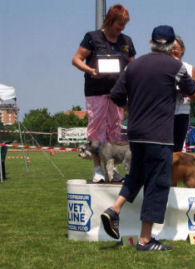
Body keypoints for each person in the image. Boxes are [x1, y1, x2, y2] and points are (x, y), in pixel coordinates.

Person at [100, 25, 195, 251]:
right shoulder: (177, 66)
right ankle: (145, 240)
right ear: (173, 45)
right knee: (157, 184)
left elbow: (115, 95)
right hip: (160, 135)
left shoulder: (134, 66)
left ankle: (114, 209)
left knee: (136, 176)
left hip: (136, 132)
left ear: (151, 41)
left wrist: (132, 107)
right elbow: (191, 89)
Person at [72, 4, 135, 182]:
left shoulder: (126, 41)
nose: (121, 28)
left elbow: (132, 65)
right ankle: (97, 169)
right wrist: (90, 70)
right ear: (109, 20)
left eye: (124, 25)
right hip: (96, 91)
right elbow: (76, 59)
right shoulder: (92, 37)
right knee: (96, 130)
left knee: (114, 132)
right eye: (119, 24)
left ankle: (111, 170)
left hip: (118, 93)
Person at [171, 36, 195, 152]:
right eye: (170, 48)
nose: (172, 51)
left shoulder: (189, 68)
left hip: (181, 114)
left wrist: (184, 91)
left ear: (182, 49)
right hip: (163, 114)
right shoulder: (161, 66)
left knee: (177, 150)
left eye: (175, 48)